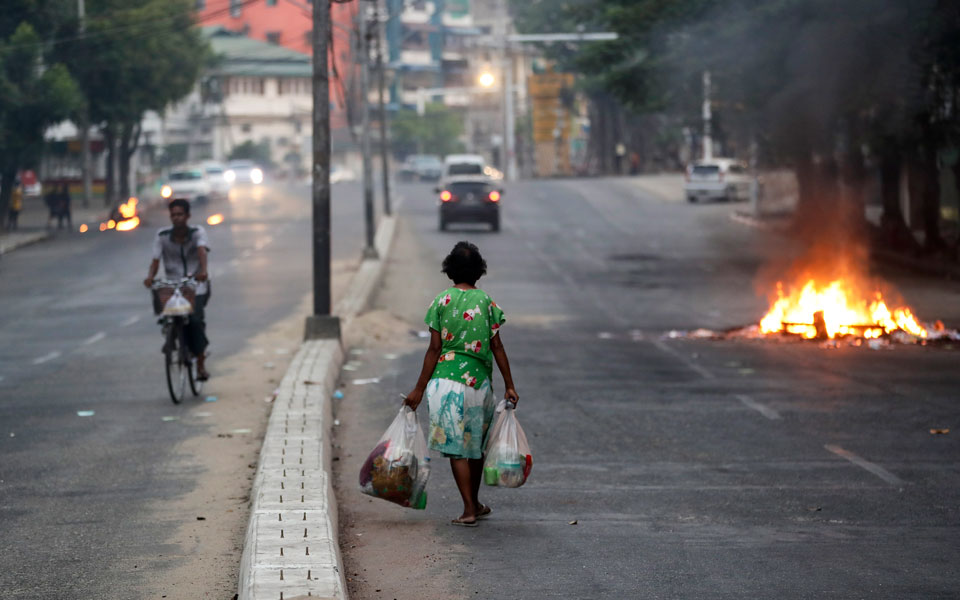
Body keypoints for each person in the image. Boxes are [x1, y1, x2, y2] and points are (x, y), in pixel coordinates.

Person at [404, 241, 519, 527]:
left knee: (456, 449)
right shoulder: (486, 302)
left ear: (449, 271)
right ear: (479, 271)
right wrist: (509, 385)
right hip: (477, 384)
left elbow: (433, 349)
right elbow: (497, 346)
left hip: (444, 383)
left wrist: (419, 389)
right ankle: (474, 504)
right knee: (476, 447)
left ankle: (469, 508)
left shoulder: (440, 301)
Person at [143, 198, 212, 380]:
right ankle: (171, 337)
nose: (177, 218)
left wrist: (203, 272)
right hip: (173, 286)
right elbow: (155, 261)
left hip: (196, 286)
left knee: (195, 321)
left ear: (187, 216)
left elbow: (202, 252)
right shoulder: (162, 235)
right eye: (173, 215)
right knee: (166, 313)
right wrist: (150, 277)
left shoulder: (197, 233)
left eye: (180, 214)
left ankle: (200, 363)